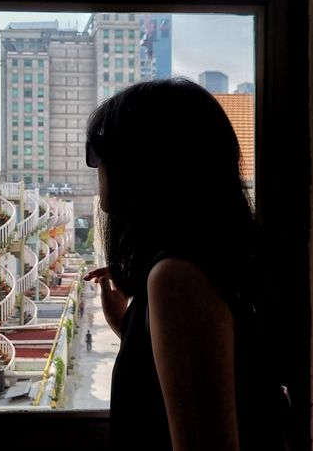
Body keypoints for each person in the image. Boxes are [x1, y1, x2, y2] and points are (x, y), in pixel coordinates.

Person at [83, 79, 289, 451]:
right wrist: (132, 327)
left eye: (99, 152)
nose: (96, 166)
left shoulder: (176, 278)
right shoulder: (211, 259)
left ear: (142, 161)